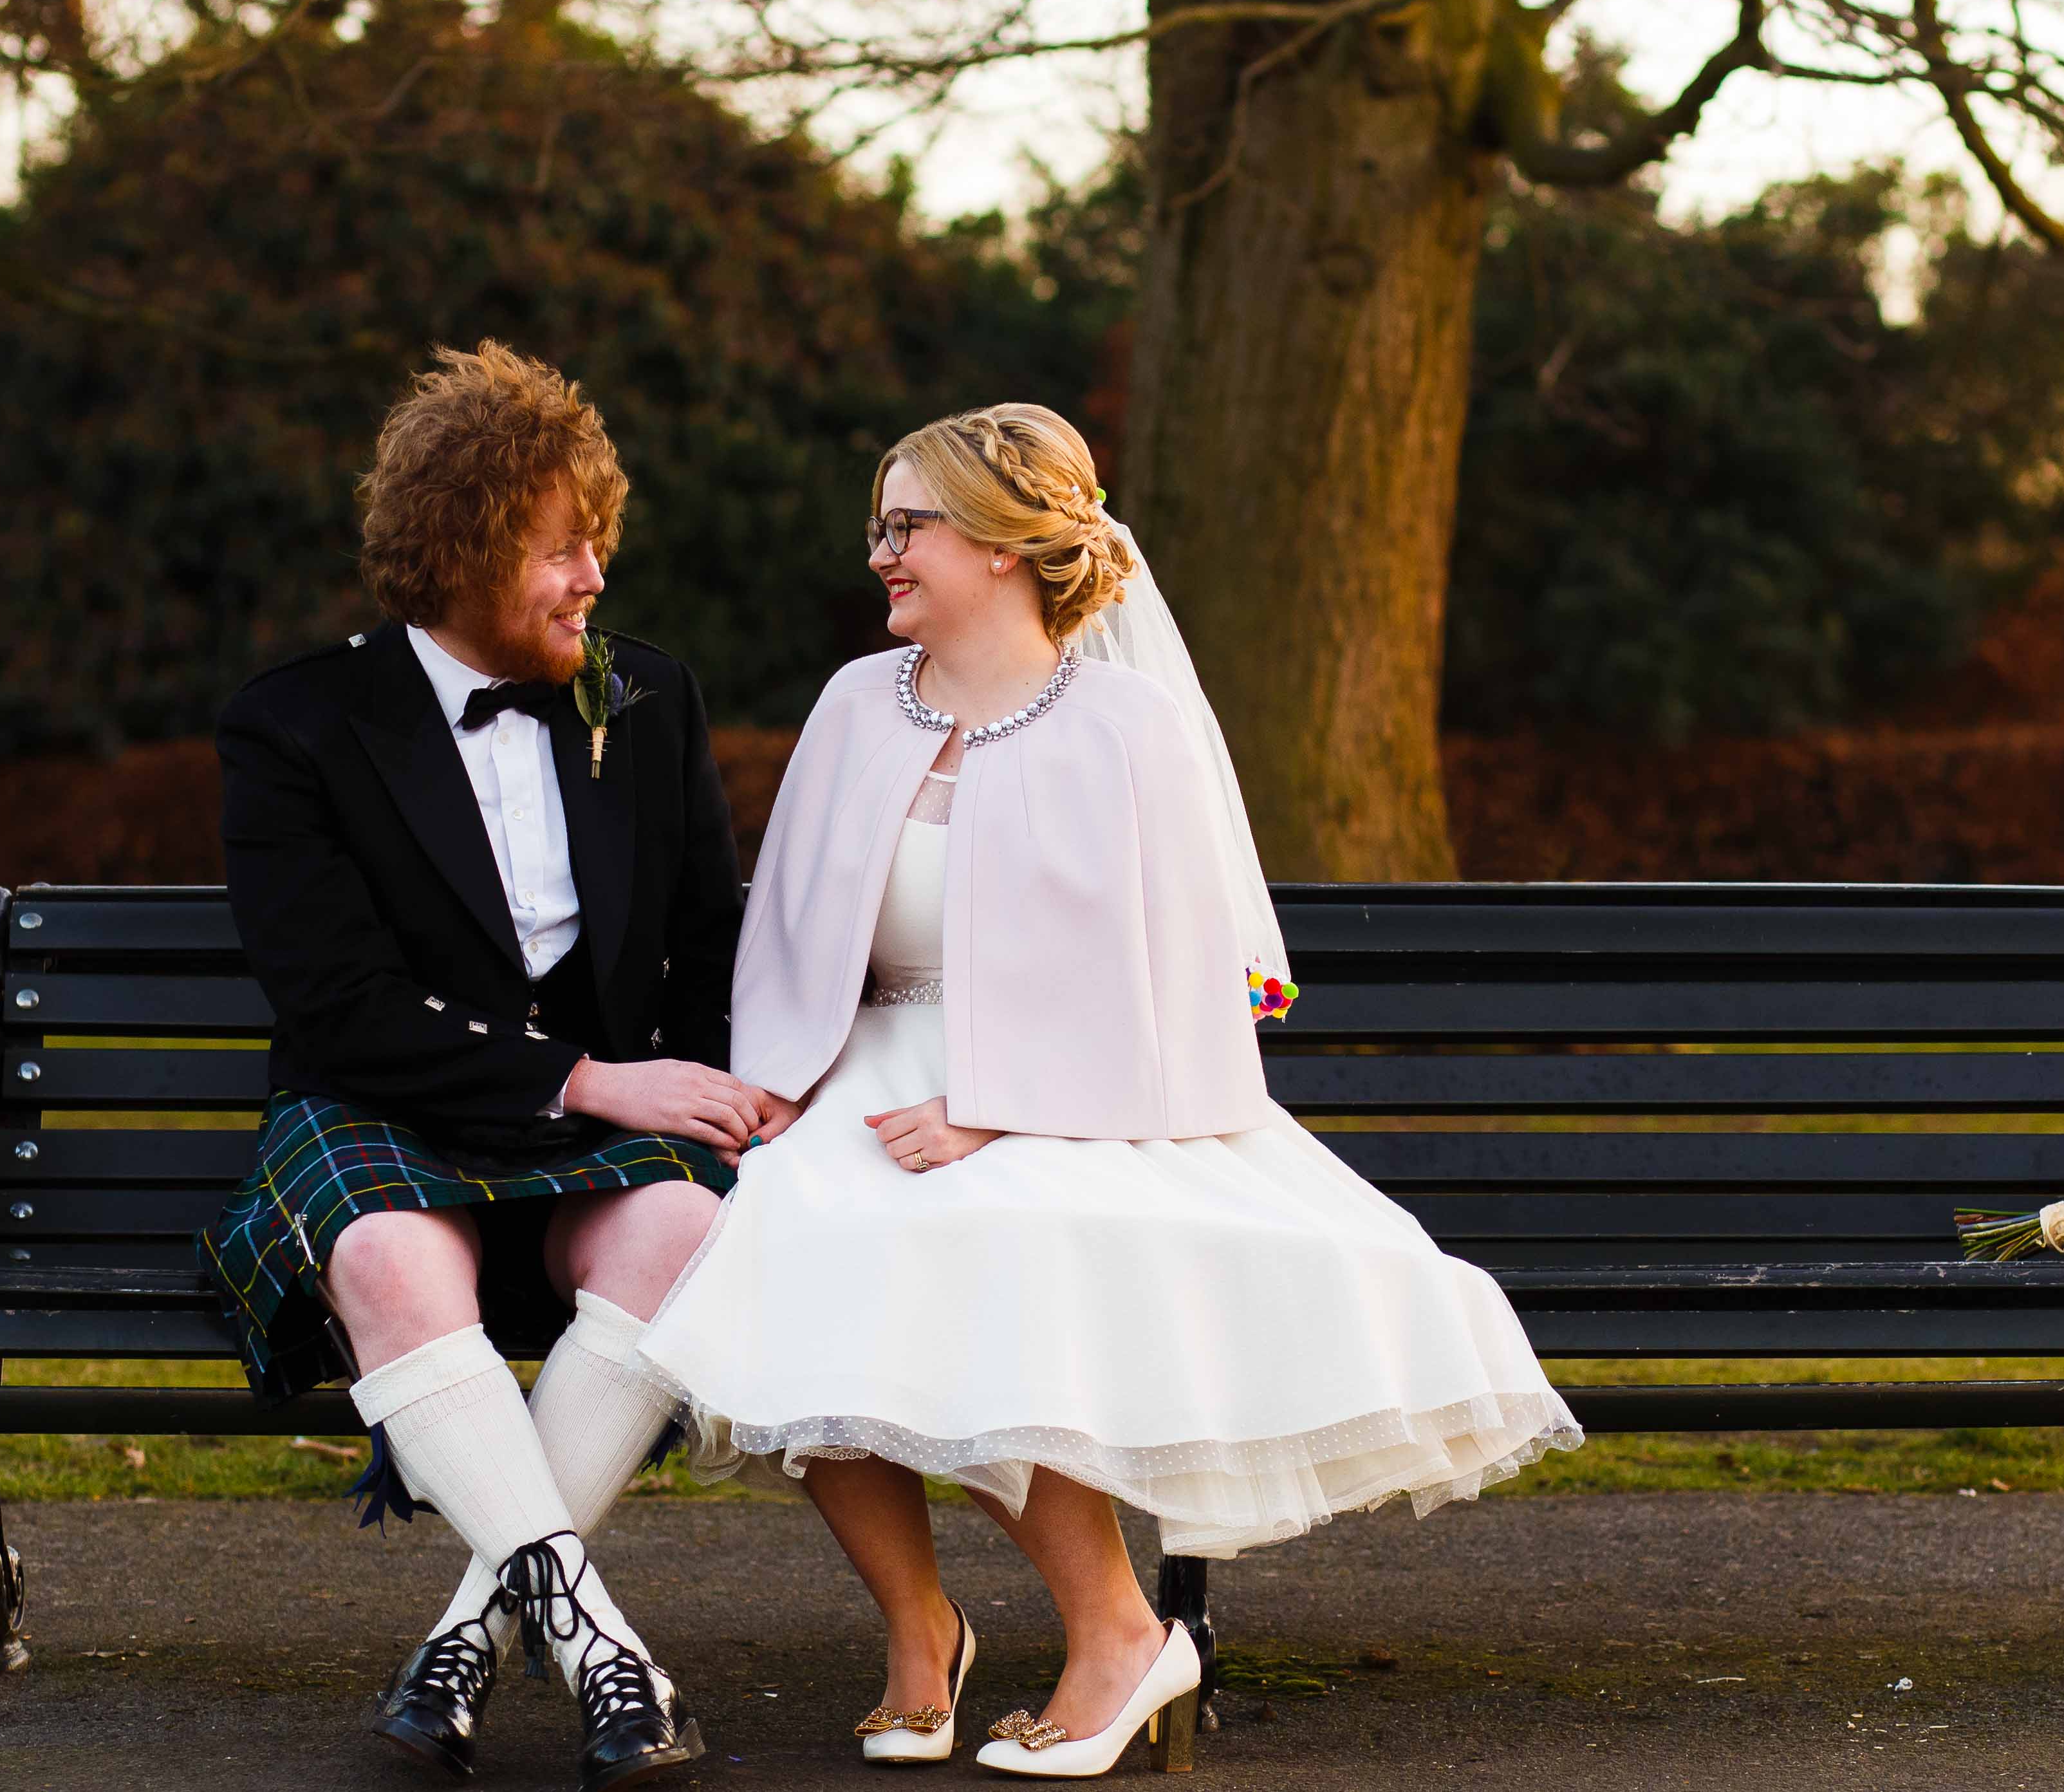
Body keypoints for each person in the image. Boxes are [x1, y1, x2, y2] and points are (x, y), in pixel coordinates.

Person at [632, 404, 1577, 1779]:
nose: (882, 554)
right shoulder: (852, 705)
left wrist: (996, 1107)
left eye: (909, 526)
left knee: (990, 1254)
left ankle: (1122, 1633)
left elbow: (1192, 977)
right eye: (878, 527)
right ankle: (919, 1631)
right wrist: (776, 1086)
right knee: (782, 1249)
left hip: (1078, 1094)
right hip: (857, 1077)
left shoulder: (1129, 723)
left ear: (1007, 546)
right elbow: (783, 926)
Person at [198, 342, 775, 1787]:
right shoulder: (297, 727)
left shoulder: (645, 699)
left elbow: (709, 948)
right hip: (382, 1113)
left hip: (589, 1149)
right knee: (391, 1265)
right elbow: (337, 1007)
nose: (595, 578)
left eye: (600, 544)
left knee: (688, 1224)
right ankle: (606, 1659)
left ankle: (473, 1629)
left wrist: (696, 1093)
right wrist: (590, 1081)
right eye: (561, 549)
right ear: (460, 554)